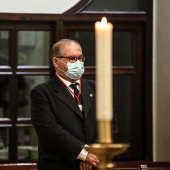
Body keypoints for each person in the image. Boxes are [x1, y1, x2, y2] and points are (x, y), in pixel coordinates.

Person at [30, 39, 117, 170]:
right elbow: (49, 130)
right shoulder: (42, 92)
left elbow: (110, 123)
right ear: (56, 62)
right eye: (71, 58)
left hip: (95, 164)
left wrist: (93, 154)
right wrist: (83, 154)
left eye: (80, 58)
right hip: (59, 165)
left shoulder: (96, 88)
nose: (78, 63)